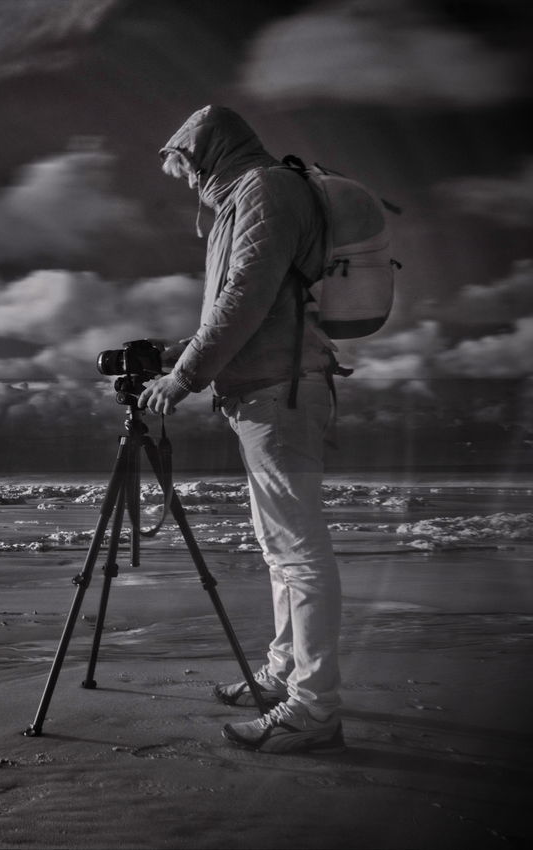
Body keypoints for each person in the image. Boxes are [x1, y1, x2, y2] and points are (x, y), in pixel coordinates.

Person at [138, 105, 346, 755]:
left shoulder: (263, 191)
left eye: (186, 169)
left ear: (205, 155)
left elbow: (246, 297)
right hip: (264, 392)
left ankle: (313, 707)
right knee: (281, 549)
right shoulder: (249, 198)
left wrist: (184, 377)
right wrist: (177, 352)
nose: (188, 184)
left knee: (297, 553)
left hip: (278, 394)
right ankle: (285, 673)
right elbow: (252, 300)